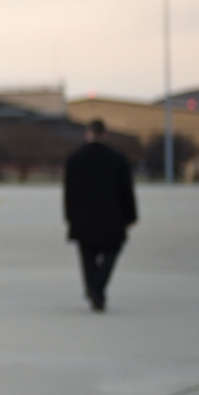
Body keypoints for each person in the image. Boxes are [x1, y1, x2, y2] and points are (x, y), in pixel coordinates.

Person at [64, 119, 138, 312]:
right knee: (112, 253)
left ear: (88, 134)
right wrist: (130, 216)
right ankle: (97, 288)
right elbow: (126, 190)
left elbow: (69, 192)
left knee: (87, 257)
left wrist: (70, 216)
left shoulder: (75, 159)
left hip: (83, 218)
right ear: (105, 134)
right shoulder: (117, 158)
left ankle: (93, 289)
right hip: (112, 217)